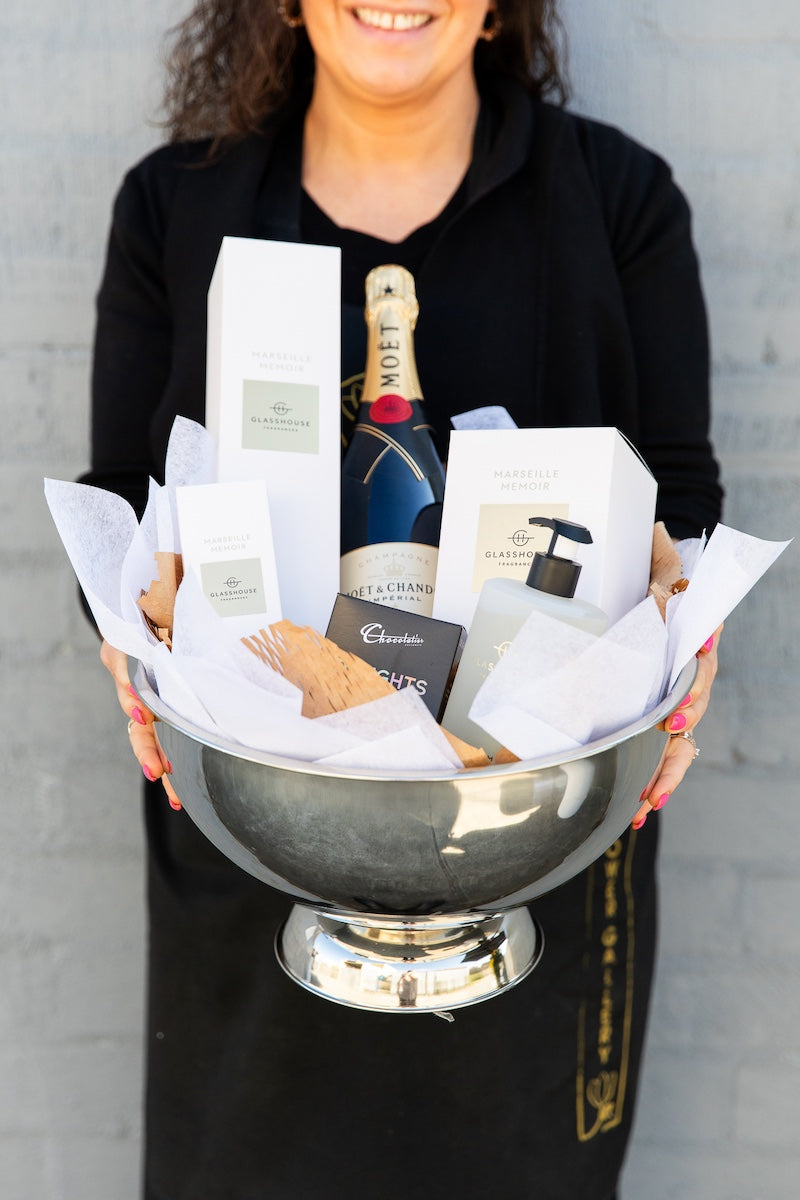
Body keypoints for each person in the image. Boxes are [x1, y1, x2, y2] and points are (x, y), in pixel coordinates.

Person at [85, 1, 723, 1196]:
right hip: (254, 851)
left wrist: (688, 622)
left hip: (533, 851)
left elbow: (676, 501)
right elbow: (126, 506)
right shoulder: (178, 210)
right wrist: (137, 621)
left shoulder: (617, 200)